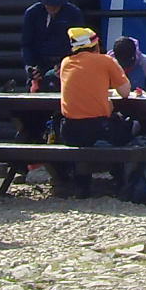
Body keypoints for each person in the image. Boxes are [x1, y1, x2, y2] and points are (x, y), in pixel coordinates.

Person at [55, 28, 130, 198]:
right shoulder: (105, 61)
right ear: (95, 44)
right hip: (98, 127)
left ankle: (82, 184)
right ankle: (121, 180)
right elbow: (125, 92)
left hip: (69, 130)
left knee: (82, 138)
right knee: (125, 131)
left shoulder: (66, 62)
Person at [19, 0, 85, 88]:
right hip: (39, 66)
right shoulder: (32, 14)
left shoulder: (74, 14)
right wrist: (30, 67)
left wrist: (68, 64)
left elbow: (80, 46)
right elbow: (26, 44)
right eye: (49, 3)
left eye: (56, 4)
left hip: (66, 66)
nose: (53, 8)